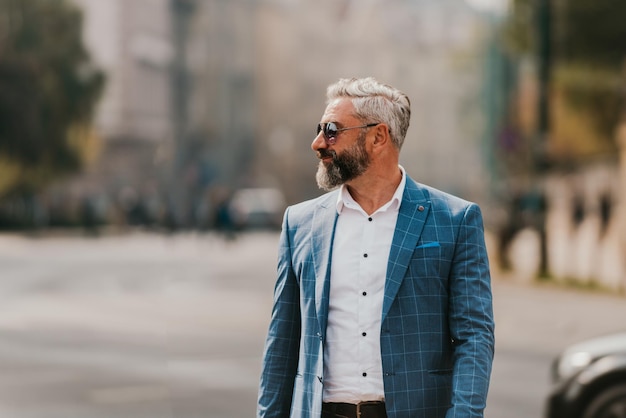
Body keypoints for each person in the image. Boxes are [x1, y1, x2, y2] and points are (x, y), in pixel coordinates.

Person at [258, 77, 495, 418]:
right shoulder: (300, 224)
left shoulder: (456, 220)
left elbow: (474, 336)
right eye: (320, 129)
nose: (318, 143)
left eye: (332, 130)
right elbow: (281, 344)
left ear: (378, 137)